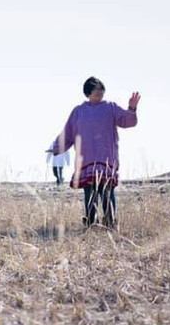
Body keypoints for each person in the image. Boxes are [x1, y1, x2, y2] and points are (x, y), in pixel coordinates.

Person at [46, 77, 140, 229]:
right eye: (96, 90)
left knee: (107, 191)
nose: (99, 93)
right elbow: (68, 132)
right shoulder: (78, 112)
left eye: (101, 90)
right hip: (87, 158)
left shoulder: (110, 107)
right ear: (87, 93)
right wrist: (58, 147)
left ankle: (110, 222)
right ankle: (91, 223)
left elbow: (127, 121)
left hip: (106, 157)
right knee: (90, 192)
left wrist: (132, 108)